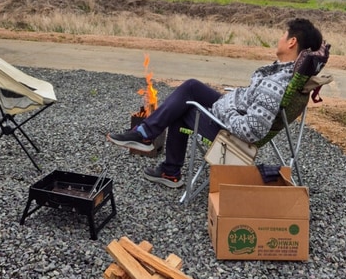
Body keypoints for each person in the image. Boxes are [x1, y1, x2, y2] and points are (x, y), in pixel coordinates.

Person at [107, 17, 323, 189]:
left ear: (292, 42)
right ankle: (152, 144)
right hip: (233, 108)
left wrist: (226, 107)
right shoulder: (284, 72)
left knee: (182, 108)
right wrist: (231, 99)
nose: (280, 39)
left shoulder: (275, 84)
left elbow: (251, 131)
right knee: (191, 87)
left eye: (283, 35)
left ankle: (164, 163)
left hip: (229, 127)